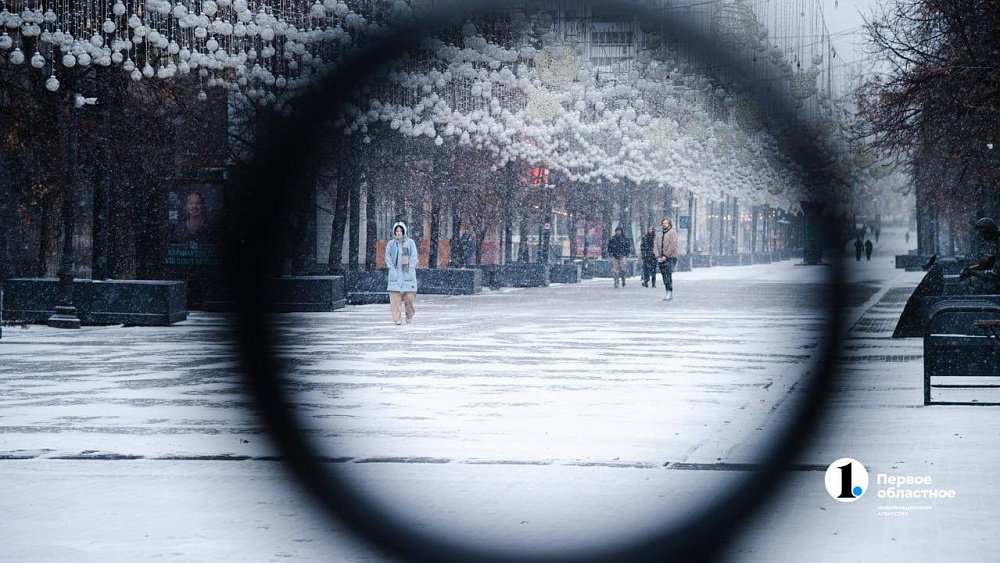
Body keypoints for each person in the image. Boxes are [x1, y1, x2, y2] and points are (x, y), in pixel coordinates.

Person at [385, 221, 419, 325]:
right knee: (395, 300)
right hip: (395, 276)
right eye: (397, 231)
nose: (398, 233)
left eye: (400, 231)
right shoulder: (391, 244)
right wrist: (392, 268)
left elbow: (414, 256)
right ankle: (397, 319)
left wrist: (410, 267)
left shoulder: (410, 243)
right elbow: (388, 257)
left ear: (404, 231)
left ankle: (409, 316)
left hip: (407, 275)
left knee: (409, 299)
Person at [958, 217, 1000, 294]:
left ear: (988, 232)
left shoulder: (997, 242)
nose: (982, 238)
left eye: (982, 234)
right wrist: (970, 269)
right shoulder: (994, 241)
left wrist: (973, 272)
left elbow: (995, 274)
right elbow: (988, 262)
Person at [653, 217, 678, 301]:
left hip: (670, 257)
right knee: (664, 275)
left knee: (668, 273)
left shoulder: (672, 233)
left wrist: (666, 256)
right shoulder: (659, 234)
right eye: (663, 223)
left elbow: (672, 245)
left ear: (669, 224)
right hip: (661, 258)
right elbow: (655, 245)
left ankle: (669, 291)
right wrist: (658, 256)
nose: (664, 225)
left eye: (666, 223)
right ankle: (667, 290)